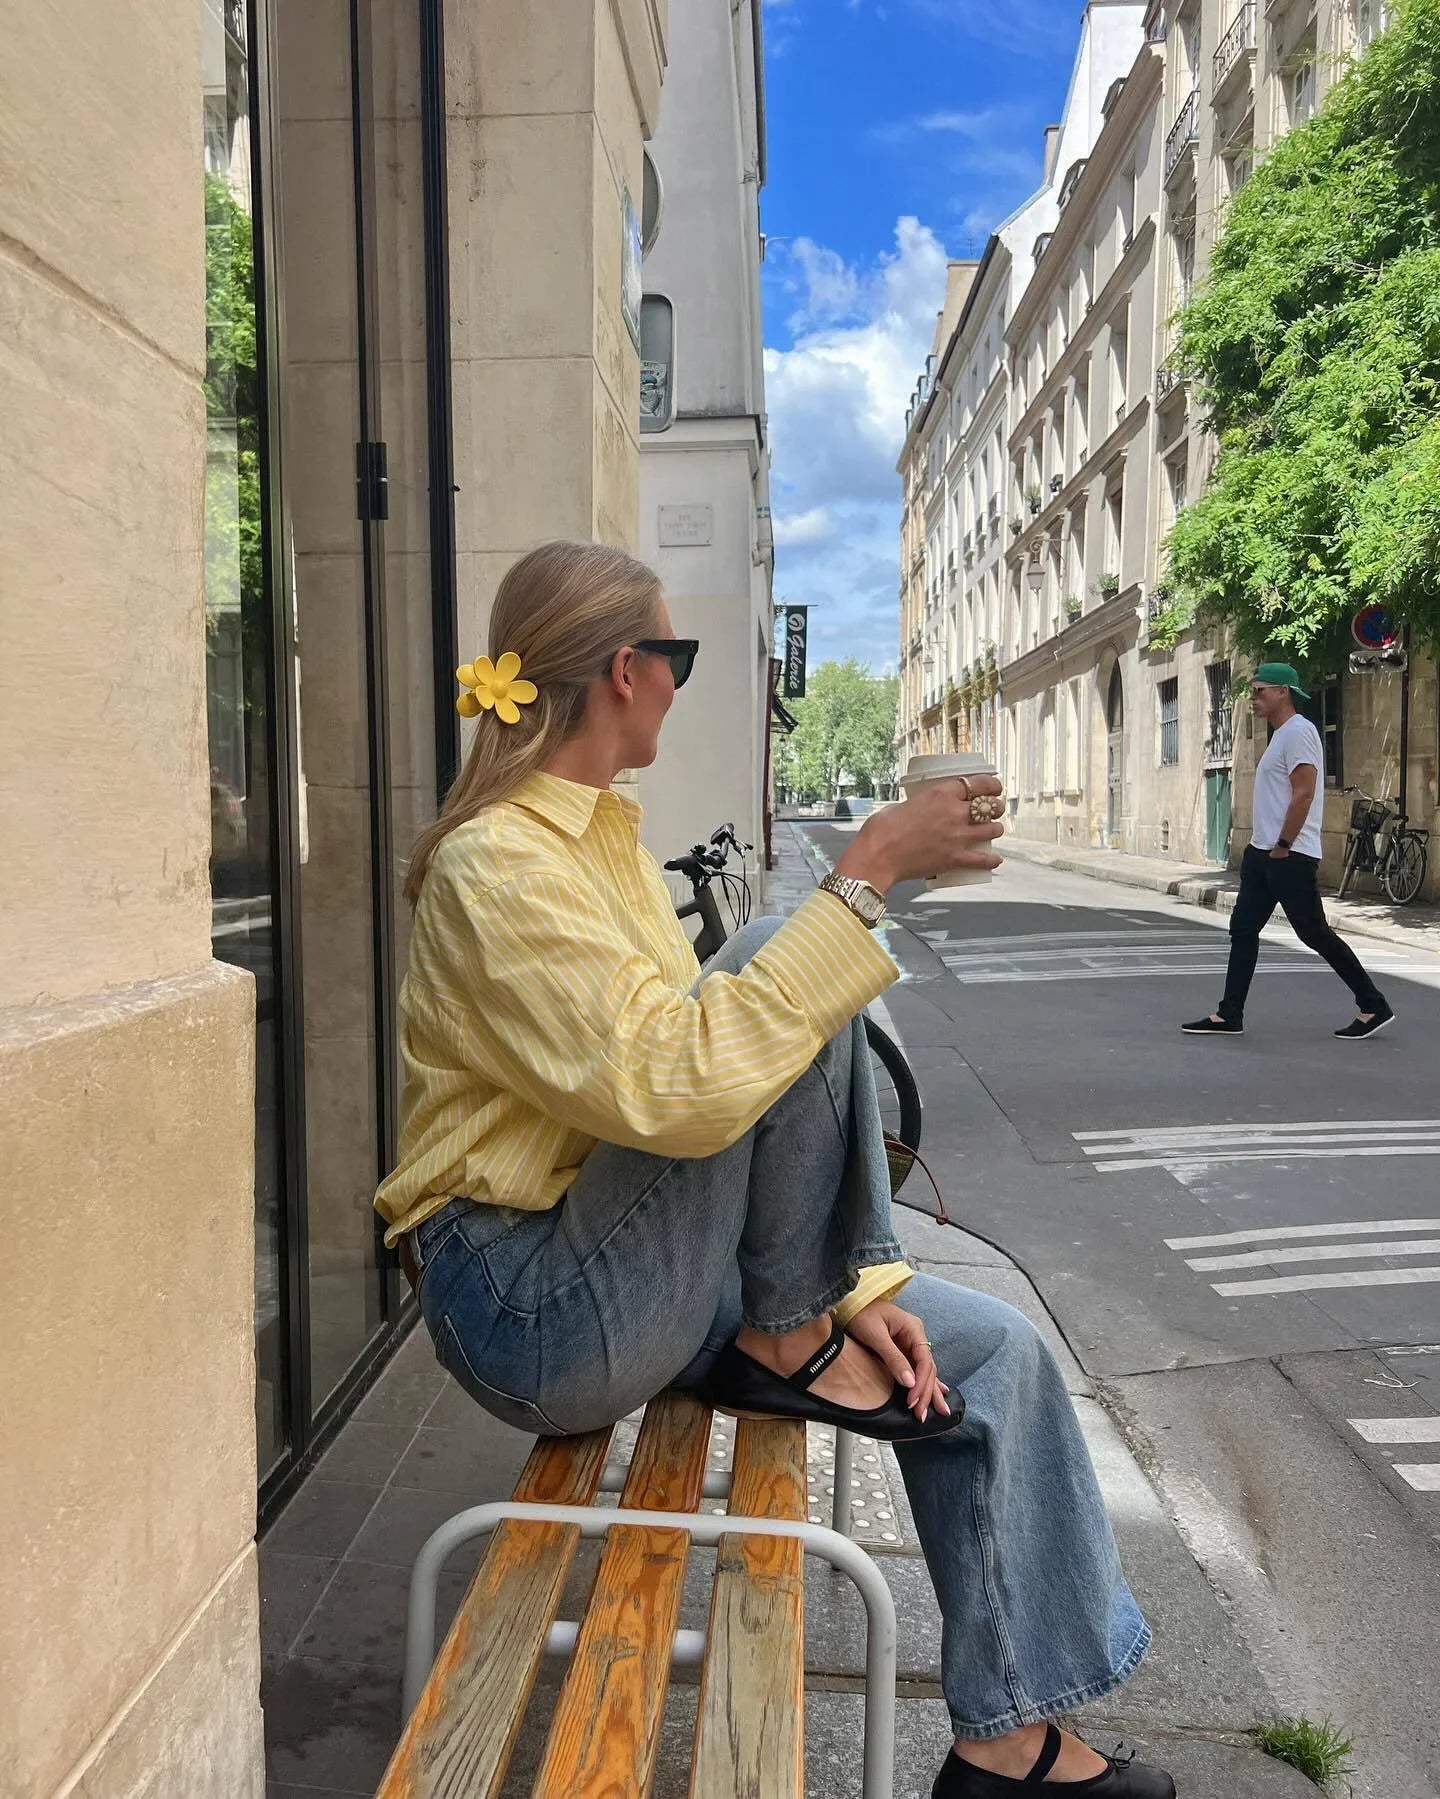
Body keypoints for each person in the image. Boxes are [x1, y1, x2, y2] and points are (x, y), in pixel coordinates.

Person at [376, 541, 1174, 1798]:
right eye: (678, 661)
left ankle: (1006, 1738)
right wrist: (862, 878)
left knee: (999, 1358)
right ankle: (794, 1317)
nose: (681, 688)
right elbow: (678, 1089)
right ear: (628, 672)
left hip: (649, 1265)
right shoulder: (497, 866)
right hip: (530, 1302)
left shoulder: (604, 848)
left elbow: (717, 1076)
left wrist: (865, 1291)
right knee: (778, 956)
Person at [1183, 663, 1392, 1042]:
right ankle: (1229, 1014)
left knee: (1314, 933)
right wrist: (1262, 848)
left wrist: (1282, 846)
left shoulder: (1299, 731)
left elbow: (1304, 792)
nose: (1254, 698)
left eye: (1260, 691)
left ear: (1283, 691)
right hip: (1264, 853)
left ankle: (1373, 1003)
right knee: (1243, 929)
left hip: (1288, 855)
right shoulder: (1281, 735)